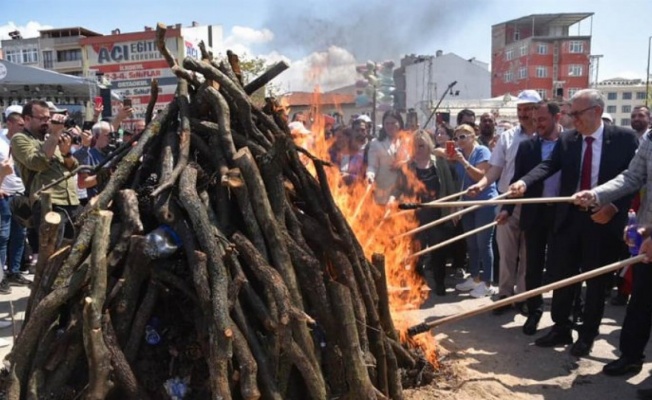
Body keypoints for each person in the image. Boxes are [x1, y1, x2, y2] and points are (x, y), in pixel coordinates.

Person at [510, 89, 638, 357]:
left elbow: (634, 181)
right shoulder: (568, 139)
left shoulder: (624, 139)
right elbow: (548, 166)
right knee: (562, 275)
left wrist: (614, 207)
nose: (572, 119)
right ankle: (561, 327)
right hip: (568, 219)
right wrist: (524, 181)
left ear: (597, 111)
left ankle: (587, 334)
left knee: (593, 281)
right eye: (570, 113)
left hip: (602, 219)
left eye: (577, 114)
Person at [467, 89, 541, 312]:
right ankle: (505, 294)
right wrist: (481, 185)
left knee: (528, 253)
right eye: (520, 109)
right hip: (507, 201)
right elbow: (495, 168)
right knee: (506, 251)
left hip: (535, 203)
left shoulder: (546, 136)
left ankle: (524, 296)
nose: (523, 114)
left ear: (538, 110)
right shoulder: (508, 137)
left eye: (528, 109)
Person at [500, 101, 562, 335]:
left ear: (557, 117)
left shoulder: (570, 143)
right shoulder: (527, 147)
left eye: (542, 120)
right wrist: (507, 208)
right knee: (532, 266)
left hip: (562, 213)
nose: (537, 125)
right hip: (534, 213)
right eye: (535, 121)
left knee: (561, 265)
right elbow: (518, 178)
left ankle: (564, 316)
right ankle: (534, 310)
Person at [11, 101, 80, 244]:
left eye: (48, 118)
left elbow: (73, 168)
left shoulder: (50, 139)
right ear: (27, 119)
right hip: (48, 203)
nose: (47, 122)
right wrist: (55, 134)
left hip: (71, 201)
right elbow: (37, 163)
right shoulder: (20, 139)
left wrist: (66, 153)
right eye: (42, 119)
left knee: (76, 249)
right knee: (52, 252)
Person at [400, 130, 457, 295]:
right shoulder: (407, 166)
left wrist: (454, 209)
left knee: (438, 251)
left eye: (422, 145)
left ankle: (439, 283)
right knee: (416, 252)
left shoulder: (439, 163)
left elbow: (449, 187)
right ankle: (418, 284)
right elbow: (402, 189)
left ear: (428, 145)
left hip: (437, 213)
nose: (419, 149)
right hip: (416, 215)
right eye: (415, 146)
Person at [450, 124, 498, 298]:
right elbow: (462, 181)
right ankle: (475, 277)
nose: (459, 140)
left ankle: (487, 283)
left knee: (484, 243)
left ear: (473, 136)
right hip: (468, 203)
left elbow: (480, 176)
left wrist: (462, 161)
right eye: (456, 138)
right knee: (472, 243)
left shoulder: (482, 150)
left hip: (485, 203)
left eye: (463, 136)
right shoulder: (461, 153)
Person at [0, 107, 31, 288]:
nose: (22, 128)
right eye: (19, 124)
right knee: (3, 236)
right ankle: (1, 276)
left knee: (20, 235)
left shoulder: (24, 142)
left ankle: (15, 271)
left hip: (21, 194)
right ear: (10, 123)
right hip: (4, 195)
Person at [366, 110, 409, 205]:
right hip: (383, 190)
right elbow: (372, 166)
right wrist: (369, 175)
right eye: (387, 123)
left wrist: (403, 164)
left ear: (400, 123)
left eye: (393, 123)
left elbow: (414, 160)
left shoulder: (407, 141)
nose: (390, 126)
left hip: (403, 189)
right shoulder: (375, 143)